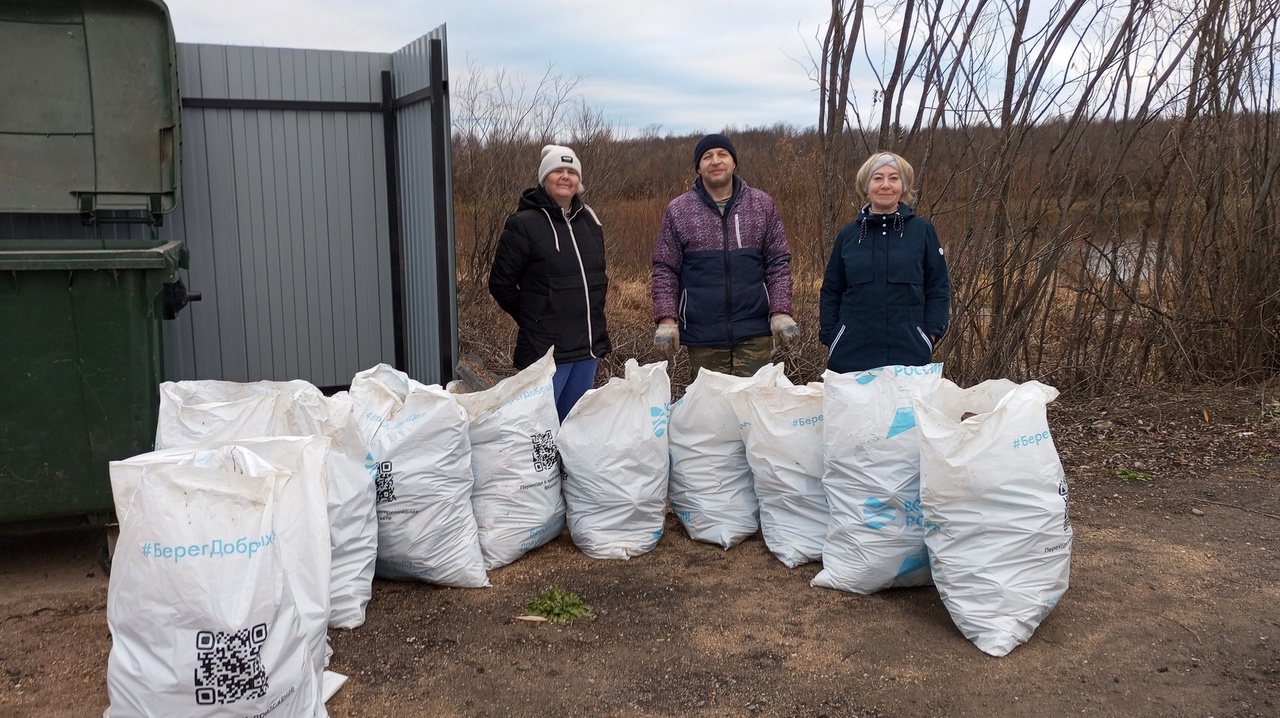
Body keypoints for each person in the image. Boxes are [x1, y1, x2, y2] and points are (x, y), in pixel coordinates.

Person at [651, 133, 798, 377]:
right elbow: (665, 268)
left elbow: (778, 263)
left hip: (755, 329)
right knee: (712, 409)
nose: (715, 161)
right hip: (703, 333)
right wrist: (667, 319)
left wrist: (781, 311)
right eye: (707, 157)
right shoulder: (679, 210)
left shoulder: (762, 205)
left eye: (722, 155)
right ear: (698, 167)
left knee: (752, 406)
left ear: (734, 162)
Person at [489, 144, 610, 421]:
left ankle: (569, 467)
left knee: (574, 425)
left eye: (571, 171)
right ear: (544, 178)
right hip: (547, 351)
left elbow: (595, 277)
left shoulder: (590, 220)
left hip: (586, 346)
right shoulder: (523, 224)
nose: (565, 177)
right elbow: (500, 283)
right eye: (558, 171)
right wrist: (535, 318)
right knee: (540, 427)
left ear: (579, 180)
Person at [820, 151, 950, 373]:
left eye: (894, 178)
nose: (885, 185)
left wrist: (930, 334)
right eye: (877, 178)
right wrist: (833, 336)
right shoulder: (848, 235)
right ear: (866, 185)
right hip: (851, 354)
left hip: (909, 354)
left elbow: (938, 287)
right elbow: (831, 290)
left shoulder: (922, 231)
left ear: (904, 186)